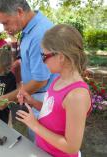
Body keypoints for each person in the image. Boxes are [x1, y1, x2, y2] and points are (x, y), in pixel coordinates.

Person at [16, 24, 91, 157]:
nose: (43, 61)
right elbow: (52, 110)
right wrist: (33, 102)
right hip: (43, 150)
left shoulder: (77, 95)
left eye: (44, 56)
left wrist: (35, 126)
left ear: (61, 56)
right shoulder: (58, 80)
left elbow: (71, 147)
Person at [0, 0, 57, 141]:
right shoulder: (28, 29)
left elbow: (40, 80)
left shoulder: (39, 34)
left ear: (19, 12)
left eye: (5, 22)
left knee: (42, 146)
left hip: (43, 97)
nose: (4, 28)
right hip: (35, 96)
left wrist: (7, 98)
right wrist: (19, 63)